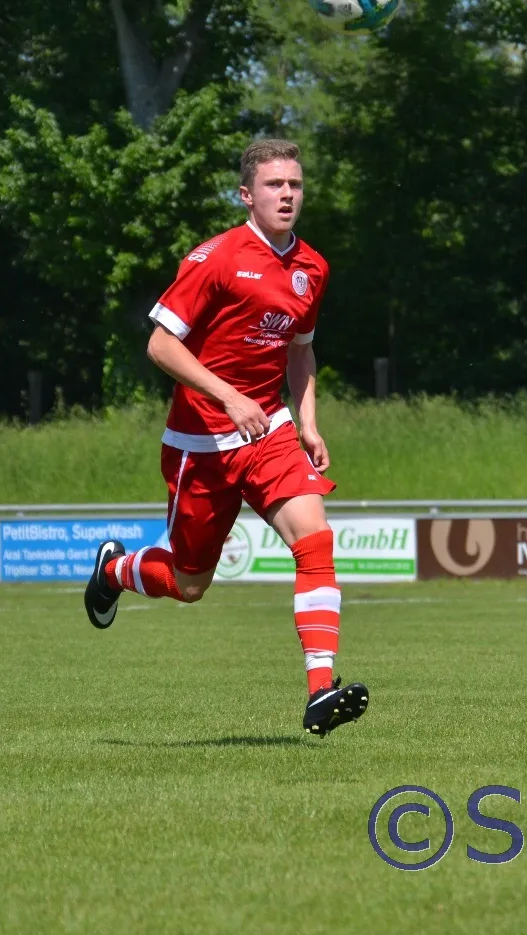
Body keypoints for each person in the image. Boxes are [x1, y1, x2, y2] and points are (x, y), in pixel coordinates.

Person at [83, 139, 368, 737]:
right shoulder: (215, 258)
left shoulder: (312, 267)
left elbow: (301, 352)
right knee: (189, 584)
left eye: (295, 184)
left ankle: (321, 689)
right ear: (246, 195)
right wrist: (228, 397)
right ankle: (115, 570)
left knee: (315, 539)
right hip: (200, 444)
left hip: (269, 431)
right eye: (274, 185)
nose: (287, 194)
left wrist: (309, 422)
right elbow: (160, 345)